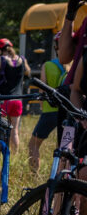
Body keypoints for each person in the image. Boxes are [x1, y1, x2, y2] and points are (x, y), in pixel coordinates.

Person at [28, 33, 69, 174]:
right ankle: (61, 176)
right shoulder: (75, 66)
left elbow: (42, 89)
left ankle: (34, 175)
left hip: (50, 111)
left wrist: (42, 105)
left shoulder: (48, 65)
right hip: (68, 112)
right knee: (64, 149)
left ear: (56, 47)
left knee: (33, 144)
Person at [0, 38, 31, 155]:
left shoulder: (1, 60)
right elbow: (28, 72)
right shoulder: (22, 59)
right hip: (17, 101)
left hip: (3, 101)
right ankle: (14, 155)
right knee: (14, 131)